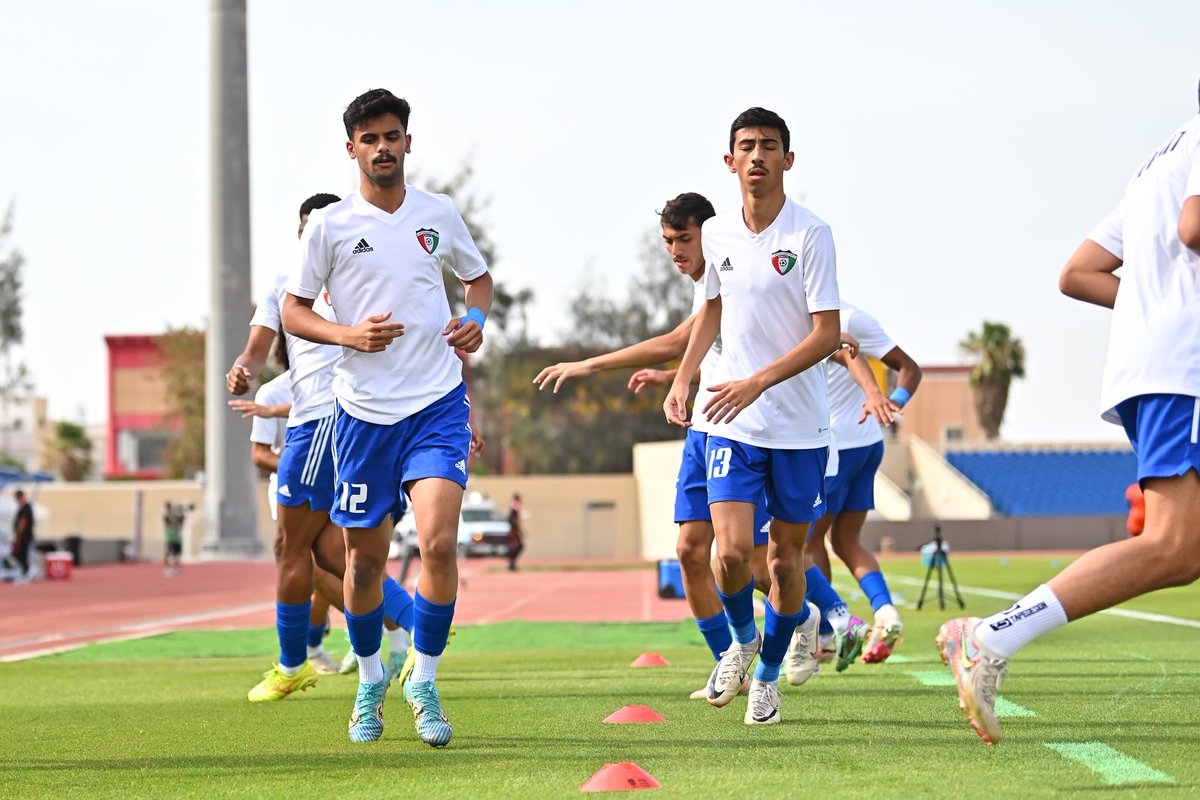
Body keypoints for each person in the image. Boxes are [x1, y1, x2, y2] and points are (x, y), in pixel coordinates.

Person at [937, 84, 1200, 746]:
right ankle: (992, 635)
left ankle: (990, 635)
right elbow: (1194, 228)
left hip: (1157, 362)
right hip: (1184, 366)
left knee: (1184, 546)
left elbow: (1079, 272)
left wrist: (1149, 307)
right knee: (1173, 545)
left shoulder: (1159, 162)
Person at [283, 88, 492, 746]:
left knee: (437, 543)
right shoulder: (330, 227)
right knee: (365, 565)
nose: (382, 147)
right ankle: (372, 675)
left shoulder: (439, 214)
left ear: (407, 142)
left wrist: (475, 321)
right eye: (369, 138)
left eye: (391, 136)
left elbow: (478, 281)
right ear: (352, 149)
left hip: (436, 406)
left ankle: (422, 679)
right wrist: (348, 336)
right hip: (363, 416)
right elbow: (293, 311)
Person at [534, 192, 788, 699]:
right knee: (690, 551)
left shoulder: (731, 271)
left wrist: (589, 365)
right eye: (668, 241)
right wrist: (675, 378)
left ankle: (818, 619)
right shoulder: (703, 284)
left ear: (709, 235)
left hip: (739, 429)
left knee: (754, 562)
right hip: (702, 429)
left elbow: (679, 340)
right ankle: (729, 661)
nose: (675, 250)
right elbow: (699, 348)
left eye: (685, 239)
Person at [664, 107, 842, 725]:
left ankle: (767, 676)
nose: (758, 155)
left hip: (798, 428)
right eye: (747, 146)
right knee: (731, 554)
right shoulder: (715, 236)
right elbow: (708, 311)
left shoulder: (810, 234)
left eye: (770, 146)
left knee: (785, 562)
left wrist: (759, 381)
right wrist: (685, 379)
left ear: (788, 159)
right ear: (730, 160)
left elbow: (827, 334)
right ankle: (743, 644)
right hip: (731, 425)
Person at [229, 193, 416, 706]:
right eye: (308, 228)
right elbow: (259, 345)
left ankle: (293, 665)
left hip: (325, 425)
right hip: (334, 424)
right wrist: (245, 366)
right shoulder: (285, 286)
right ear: (299, 234)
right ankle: (421, 624)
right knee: (336, 552)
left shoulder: (357, 279)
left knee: (291, 549)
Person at [804, 303, 921, 666]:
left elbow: (904, 369)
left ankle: (830, 628)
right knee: (843, 540)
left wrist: (881, 398)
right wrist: (889, 402)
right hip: (867, 443)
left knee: (802, 545)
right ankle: (885, 612)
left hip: (837, 447)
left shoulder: (834, 319)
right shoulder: (853, 316)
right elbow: (909, 369)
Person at [11, 489, 33, 578]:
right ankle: (24, 571)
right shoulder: (25, 507)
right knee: (20, 554)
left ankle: (25, 571)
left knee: (20, 554)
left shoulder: (25, 508)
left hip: (24, 536)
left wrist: (18, 537)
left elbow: (22, 523)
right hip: (24, 536)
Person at [162, 501, 184, 575]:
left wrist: (179, 510)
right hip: (170, 539)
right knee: (169, 554)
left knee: (176, 555)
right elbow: (166, 518)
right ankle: (168, 568)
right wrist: (171, 510)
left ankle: (176, 568)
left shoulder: (177, 522)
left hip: (176, 539)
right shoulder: (167, 520)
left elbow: (181, 519)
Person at [506, 493, 524, 572]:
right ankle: (511, 563)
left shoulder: (514, 508)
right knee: (517, 546)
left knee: (517, 546)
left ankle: (512, 563)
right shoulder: (514, 508)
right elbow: (513, 519)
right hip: (514, 531)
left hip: (514, 530)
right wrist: (518, 529)